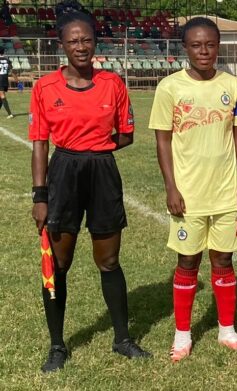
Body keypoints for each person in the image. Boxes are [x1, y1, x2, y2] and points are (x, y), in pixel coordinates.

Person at [29, 1, 151, 373]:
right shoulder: (45, 87)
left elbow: (126, 135)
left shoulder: (113, 84)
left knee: (109, 260)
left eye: (87, 40)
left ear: (96, 43)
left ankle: (122, 339)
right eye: (73, 41)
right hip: (63, 173)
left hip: (102, 173)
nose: (81, 46)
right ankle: (57, 345)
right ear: (62, 45)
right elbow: (39, 143)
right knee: (59, 263)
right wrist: (40, 194)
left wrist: (96, 149)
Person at [150, 17, 237, 361]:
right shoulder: (170, 88)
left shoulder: (235, 86)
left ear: (218, 45)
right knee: (188, 260)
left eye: (210, 44)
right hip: (188, 194)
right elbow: (162, 140)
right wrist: (171, 188)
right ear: (185, 48)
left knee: (224, 258)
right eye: (196, 45)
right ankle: (183, 334)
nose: (204, 51)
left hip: (225, 191)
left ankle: (226, 330)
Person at [0, 47, 14, 118]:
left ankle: (10, 114)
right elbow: (11, 70)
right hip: (5, 79)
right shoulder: (8, 60)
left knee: (2, 95)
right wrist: (16, 78)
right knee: (1, 96)